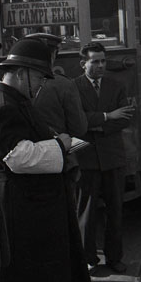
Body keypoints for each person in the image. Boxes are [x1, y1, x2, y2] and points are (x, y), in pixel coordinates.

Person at [0, 39, 92, 282]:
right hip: (26, 209)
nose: (41, 84)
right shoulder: (5, 105)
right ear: (21, 73)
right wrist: (61, 145)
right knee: (31, 280)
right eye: (39, 77)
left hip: (34, 205)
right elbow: (18, 156)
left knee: (38, 278)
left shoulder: (15, 101)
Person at [74, 42, 134, 274]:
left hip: (113, 158)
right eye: (95, 61)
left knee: (115, 211)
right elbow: (77, 121)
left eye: (103, 61)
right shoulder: (73, 87)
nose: (100, 65)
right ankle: (88, 259)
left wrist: (95, 125)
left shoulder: (115, 86)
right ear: (83, 63)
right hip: (86, 159)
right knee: (86, 213)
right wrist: (108, 116)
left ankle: (114, 258)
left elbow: (125, 118)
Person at [25, 33, 88, 202]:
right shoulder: (63, 84)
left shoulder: (14, 86)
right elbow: (79, 128)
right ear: (53, 55)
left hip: (22, 165)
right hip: (59, 162)